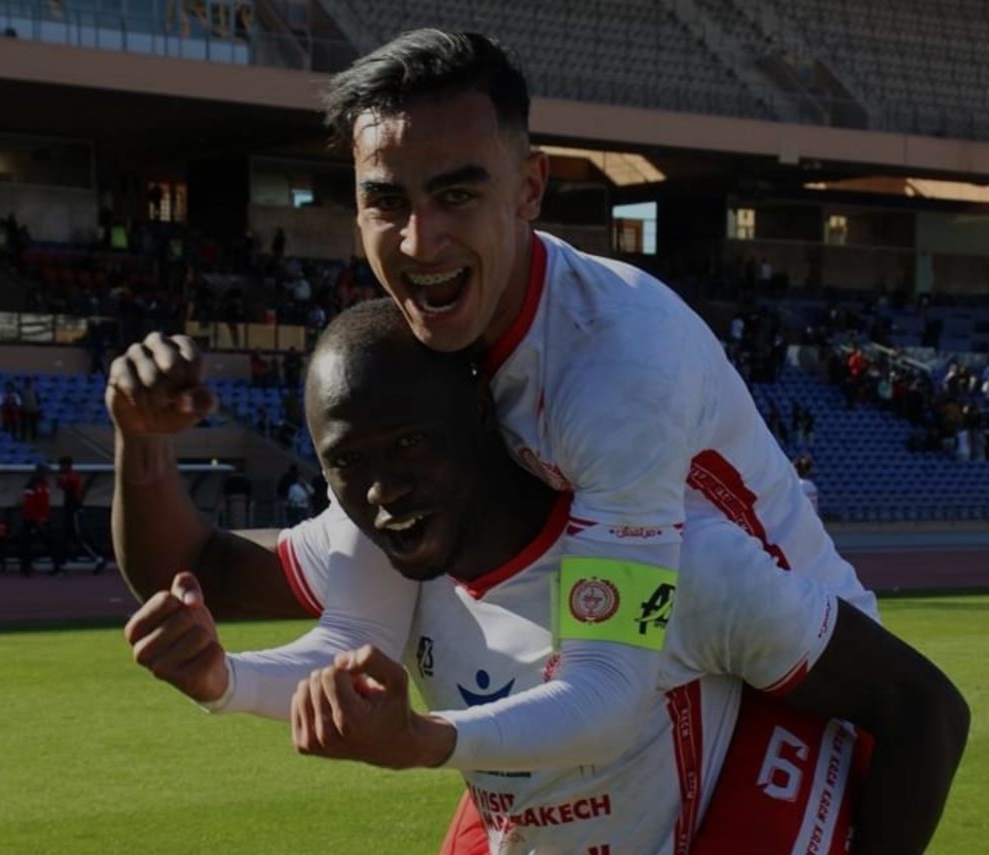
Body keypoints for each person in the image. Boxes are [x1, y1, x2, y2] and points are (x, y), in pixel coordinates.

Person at [121, 301, 968, 855]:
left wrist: (420, 737)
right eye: (348, 463)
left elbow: (924, 708)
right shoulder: (382, 537)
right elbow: (200, 570)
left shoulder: (668, 558)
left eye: (410, 444)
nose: (383, 489)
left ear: (478, 416)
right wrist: (142, 442)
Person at [56, 456, 106, 572]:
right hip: (69, 510)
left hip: (74, 510)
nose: (60, 468)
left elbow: (69, 486)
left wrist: (62, 480)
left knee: (78, 537)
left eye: (62, 465)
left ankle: (98, 559)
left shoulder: (73, 476)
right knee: (66, 536)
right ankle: (62, 562)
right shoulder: (67, 477)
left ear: (67, 466)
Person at [20, 463, 62, 576]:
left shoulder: (45, 484)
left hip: (44, 519)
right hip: (31, 520)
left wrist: (45, 517)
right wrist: (37, 519)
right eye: (45, 471)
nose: (47, 473)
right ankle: (25, 567)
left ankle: (57, 567)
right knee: (27, 543)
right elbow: (29, 504)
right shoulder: (31, 484)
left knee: (51, 542)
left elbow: (45, 502)